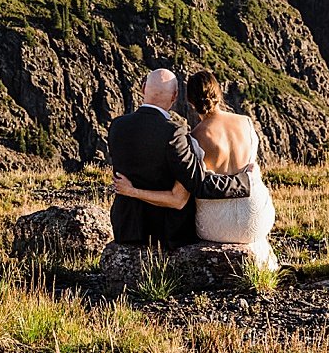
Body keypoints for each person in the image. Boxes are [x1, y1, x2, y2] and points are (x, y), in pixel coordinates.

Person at [112, 70, 276, 268]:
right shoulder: (246, 123)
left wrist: (132, 191)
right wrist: (248, 181)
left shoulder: (118, 126)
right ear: (174, 97)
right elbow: (197, 185)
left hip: (130, 226)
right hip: (256, 211)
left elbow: (184, 193)